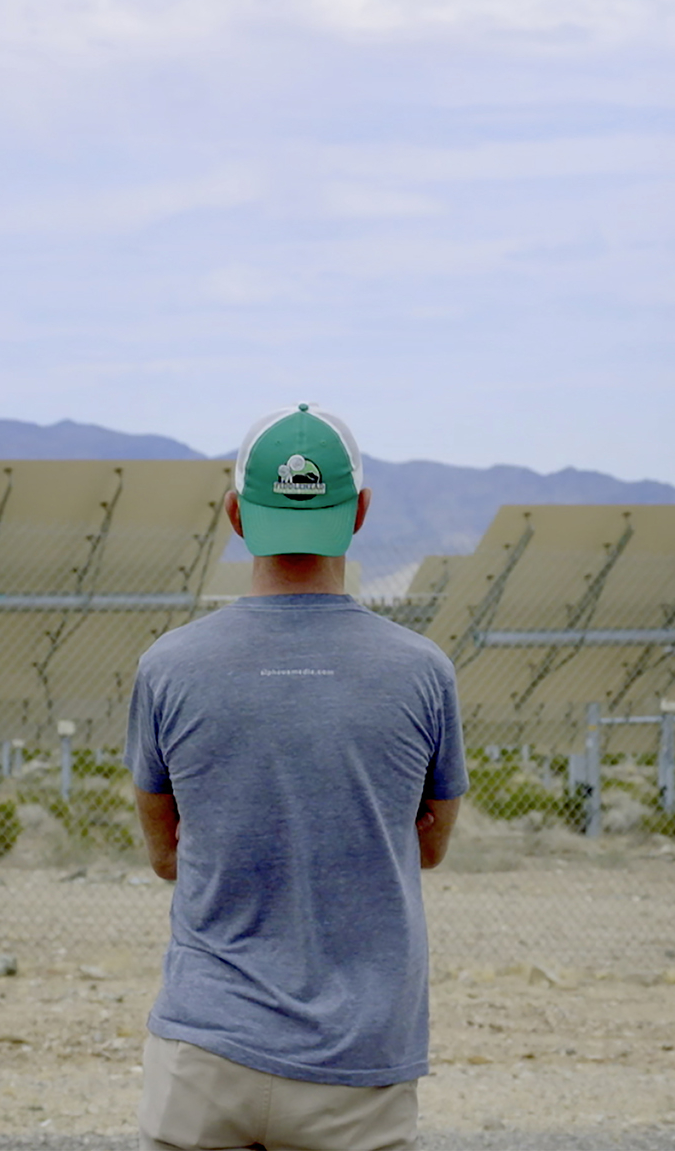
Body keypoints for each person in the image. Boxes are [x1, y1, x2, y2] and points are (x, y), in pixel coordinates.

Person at [127, 402, 465, 1151]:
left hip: (204, 1056)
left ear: (236, 515)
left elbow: (166, 854)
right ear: (361, 512)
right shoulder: (422, 673)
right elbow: (428, 845)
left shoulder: (169, 668)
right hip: (358, 1064)